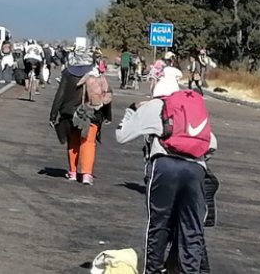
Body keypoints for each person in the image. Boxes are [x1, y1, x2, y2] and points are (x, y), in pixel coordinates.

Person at [115, 69, 217, 273]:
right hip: (196, 169)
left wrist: (131, 110)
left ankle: (153, 270)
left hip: (165, 167)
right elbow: (212, 143)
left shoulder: (155, 106)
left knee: (158, 226)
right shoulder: (189, 109)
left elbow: (122, 135)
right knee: (192, 230)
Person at [49, 47, 111, 185]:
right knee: (88, 142)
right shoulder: (96, 73)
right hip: (93, 113)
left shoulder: (67, 73)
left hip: (70, 114)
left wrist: (53, 115)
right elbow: (106, 94)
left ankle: (72, 172)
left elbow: (60, 95)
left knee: (73, 142)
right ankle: (87, 175)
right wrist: (107, 115)